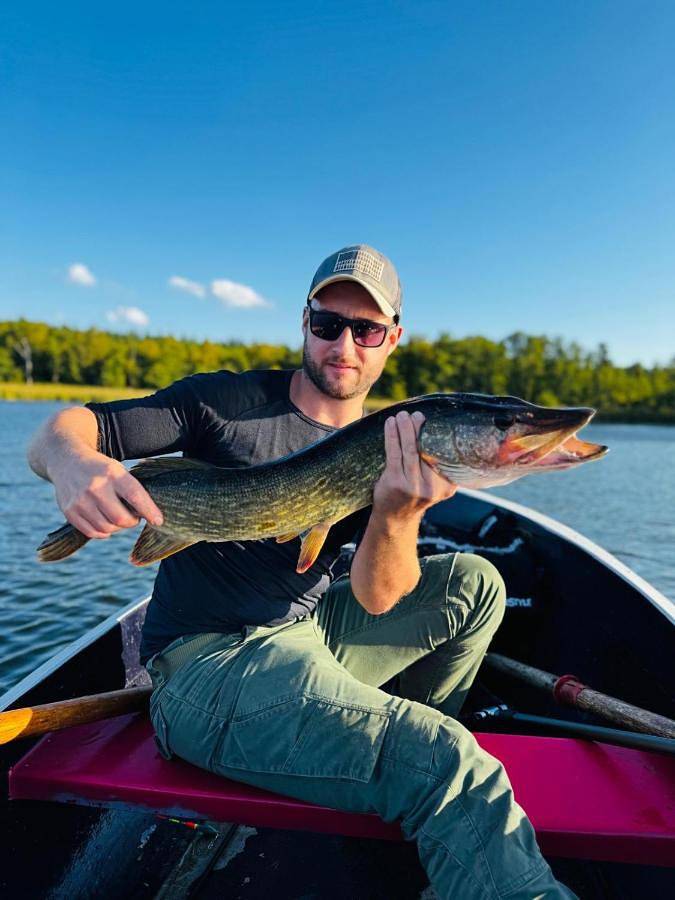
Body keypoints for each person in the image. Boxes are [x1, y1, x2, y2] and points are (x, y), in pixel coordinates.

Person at [28, 244, 576, 899]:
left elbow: (377, 597)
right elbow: (63, 431)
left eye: (366, 329)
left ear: (390, 340)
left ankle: (388, 765)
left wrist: (398, 513)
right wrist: (73, 465)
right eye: (328, 323)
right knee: (447, 758)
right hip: (207, 669)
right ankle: (417, 765)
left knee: (475, 585)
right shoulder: (223, 401)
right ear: (304, 322)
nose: (344, 343)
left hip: (307, 634)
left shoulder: (388, 440)